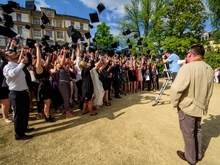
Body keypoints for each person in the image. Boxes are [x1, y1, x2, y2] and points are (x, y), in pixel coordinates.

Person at [170, 44, 214, 165]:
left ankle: (190, 157)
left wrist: (175, 103)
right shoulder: (209, 68)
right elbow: (210, 90)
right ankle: (199, 154)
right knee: (197, 130)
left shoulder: (187, 68)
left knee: (188, 133)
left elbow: (175, 89)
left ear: (190, 54)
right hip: (201, 106)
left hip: (187, 107)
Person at [3, 50, 33, 140]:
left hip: (23, 91)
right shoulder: (7, 67)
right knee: (19, 114)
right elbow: (12, 74)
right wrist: (21, 64)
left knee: (25, 112)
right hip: (16, 93)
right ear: (7, 57)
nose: (14, 53)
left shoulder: (17, 65)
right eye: (11, 53)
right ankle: (19, 134)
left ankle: (24, 128)